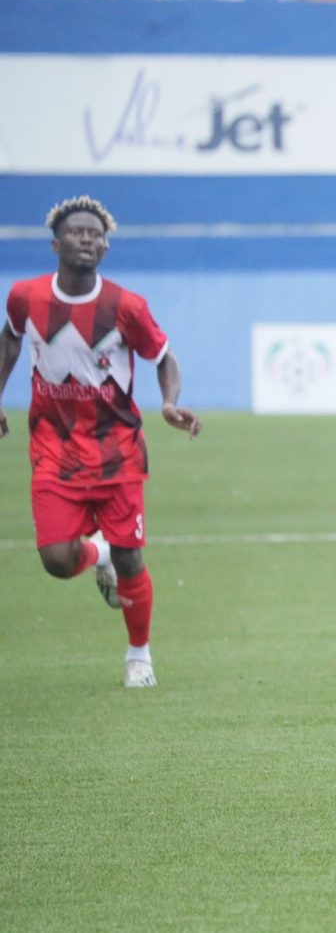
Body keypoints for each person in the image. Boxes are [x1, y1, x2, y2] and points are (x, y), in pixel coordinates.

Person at [0, 197, 202, 689]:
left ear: (106, 247)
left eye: (96, 234)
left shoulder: (125, 307)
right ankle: (99, 555)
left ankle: (139, 656)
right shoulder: (25, 297)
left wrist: (171, 403)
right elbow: (9, 340)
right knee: (55, 560)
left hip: (118, 453)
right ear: (55, 244)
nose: (87, 239)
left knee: (133, 558)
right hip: (53, 450)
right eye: (77, 232)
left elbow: (164, 356)